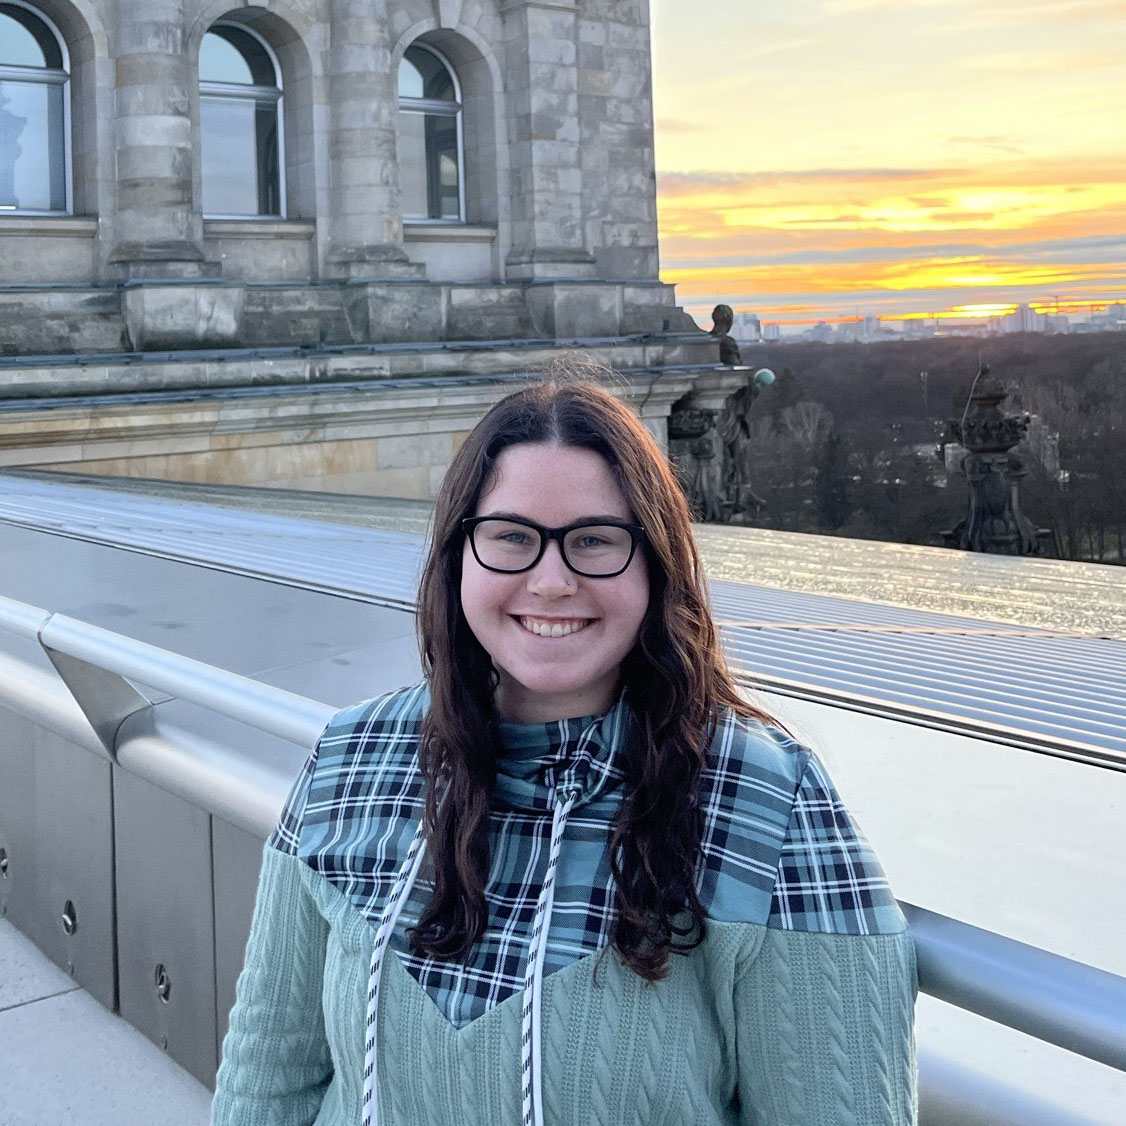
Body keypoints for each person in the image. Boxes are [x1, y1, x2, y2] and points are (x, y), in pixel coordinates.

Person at [212, 379, 917, 1126]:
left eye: (594, 540)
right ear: (460, 557)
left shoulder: (766, 802)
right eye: (512, 536)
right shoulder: (351, 759)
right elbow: (266, 1084)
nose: (552, 581)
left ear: (656, 563)